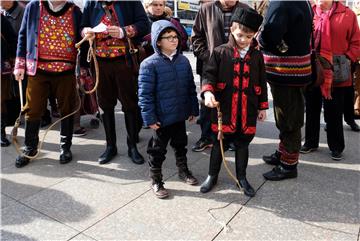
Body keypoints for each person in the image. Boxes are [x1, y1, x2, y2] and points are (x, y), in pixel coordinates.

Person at [199, 8, 267, 197]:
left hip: (248, 109)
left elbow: (262, 81)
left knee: (243, 144)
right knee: (218, 143)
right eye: (240, 35)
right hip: (225, 109)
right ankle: (212, 176)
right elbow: (209, 75)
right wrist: (208, 93)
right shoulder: (220, 52)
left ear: (255, 34)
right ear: (232, 30)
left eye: (249, 36)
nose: (243, 39)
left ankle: (242, 178)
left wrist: (263, 106)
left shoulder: (257, 56)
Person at [13, 0, 85, 168]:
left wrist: (82, 70)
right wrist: (20, 64)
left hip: (66, 70)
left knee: (67, 109)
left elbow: (83, 38)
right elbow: (23, 35)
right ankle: (30, 147)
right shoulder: (33, 7)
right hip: (38, 69)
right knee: (33, 109)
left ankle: (65, 147)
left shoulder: (75, 11)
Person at [81, 1, 150, 165]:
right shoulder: (91, 3)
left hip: (124, 61)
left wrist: (123, 31)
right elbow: (83, 25)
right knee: (105, 105)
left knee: (130, 104)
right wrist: (86, 31)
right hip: (100, 62)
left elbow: (144, 24)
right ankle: (110, 146)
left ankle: (132, 146)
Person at [138, 20, 199, 199]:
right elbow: (145, 95)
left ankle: (183, 171)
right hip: (161, 118)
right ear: (158, 41)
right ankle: (156, 180)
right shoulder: (149, 64)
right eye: (169, 37)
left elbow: (190, 88)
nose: (174, 40)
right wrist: (149, 118)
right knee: (157, 150)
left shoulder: (183, 61)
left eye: (176, 37)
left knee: (181, 145)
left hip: (179, 114)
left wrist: (193, 110)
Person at [259, 1, 313, 180]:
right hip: (294, 69)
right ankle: (283, 154)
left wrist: (260, 38)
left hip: (286, 71)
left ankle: (289, 165)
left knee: (289, 119)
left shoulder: (282, 2)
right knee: (287, 115)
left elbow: (270, 34)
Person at [301, 0, 360, 160]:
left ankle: (336, 146)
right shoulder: (307, 11)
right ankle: (311, 142)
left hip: (336, 71)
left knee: (334, 111)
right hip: (312, 69)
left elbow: (356, 43)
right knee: (312, 108)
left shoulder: (348, 14)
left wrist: (347, 59)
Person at [191, 0, 249, 152]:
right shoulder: (206, 9)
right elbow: (196, 37)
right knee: (207, 102)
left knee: (233, 101)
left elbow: (251, 37)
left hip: (237, 66)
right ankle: (206, 137)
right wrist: (208, 57)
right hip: (210, 65)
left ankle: (229, 139)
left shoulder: (244, 9)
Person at [1, 15, 17, 147]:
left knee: (0, 100)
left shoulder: (2, 20)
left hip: (1, 66)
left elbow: (13, 41)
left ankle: (1, 133)